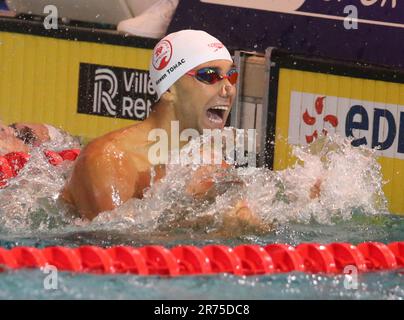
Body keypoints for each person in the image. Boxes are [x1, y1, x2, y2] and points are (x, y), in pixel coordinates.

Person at [62, 29, 264, 231]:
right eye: (210, 76)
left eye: (232, 75)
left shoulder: (211, 164)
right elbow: (117, 245)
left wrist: (243, 221)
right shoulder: (107, 160)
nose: (228, 88)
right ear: (169, 89)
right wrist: (208, 222)